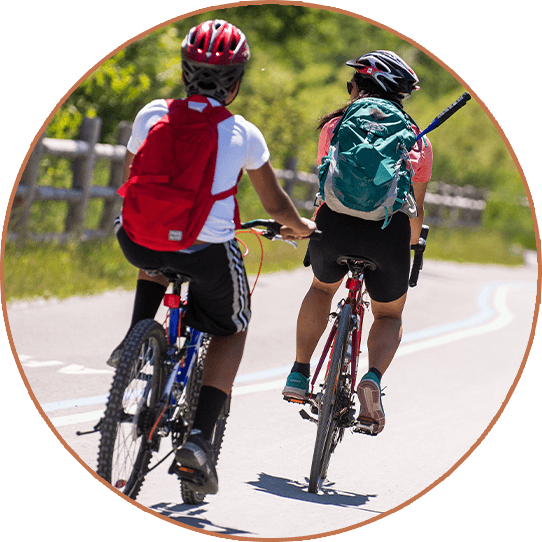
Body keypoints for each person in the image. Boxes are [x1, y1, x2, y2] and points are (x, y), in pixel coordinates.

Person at [110, 19, 317, 494]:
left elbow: (133, 183)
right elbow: (274, 205)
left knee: (153, 232)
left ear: (185, 70)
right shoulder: (243, 133)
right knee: (234, 325)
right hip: (207, 252)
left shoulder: (151, 114)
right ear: (237, 80)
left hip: (137, 239)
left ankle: (135, 338)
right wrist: (301, 227)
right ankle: (200, 437)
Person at [282, 51, 433, 435]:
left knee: (321, 288)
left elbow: (325, 187)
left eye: (351, 84)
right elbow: (414, 215)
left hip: (333, 228)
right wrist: (408, 247)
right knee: (388, 314)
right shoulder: (418, 140)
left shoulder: (336, 125)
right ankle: (373, 379)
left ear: (360, 86)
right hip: (388, 234)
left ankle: (300, 373)